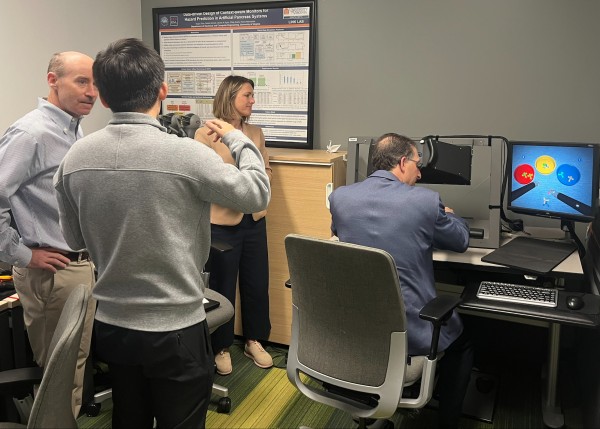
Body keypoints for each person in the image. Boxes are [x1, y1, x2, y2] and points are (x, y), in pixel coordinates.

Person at [53, 38, 270, 429]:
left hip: (114, 327)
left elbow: (73, 241)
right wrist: (238, 139)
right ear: (162, 91)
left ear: (103, 97)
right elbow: (256, 193)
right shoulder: (187, 154)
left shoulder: (75, 158)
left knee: (129, 419)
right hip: (175, 328)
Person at [328, 133, 474, 429]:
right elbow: (460, 241)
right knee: (464, 341)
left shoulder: (340, 197)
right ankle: (446, 421)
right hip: (410, 334)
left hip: (351, 330)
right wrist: (450, 215)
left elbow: (340, 230)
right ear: (403, 162)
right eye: (418, 164)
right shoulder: (425, 201)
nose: (420, 173)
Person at [0, 51, 97, 417]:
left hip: (77, 268)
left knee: (73, 366)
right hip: (51, 271)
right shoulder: (31, 133)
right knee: (58, 372)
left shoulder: (73, 127)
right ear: (52, 81)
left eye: (95, 83)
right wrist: (23, 255)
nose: (91, 92)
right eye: (81, 81)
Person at [194, 75, 273, 375]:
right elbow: (207, 179)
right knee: (223, 286)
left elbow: (265, 171)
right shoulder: (205, 134)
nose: (253, 101)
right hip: (222, 223)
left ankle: (254, 340)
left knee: (256, 283)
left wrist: (261, 193)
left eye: (253, 95)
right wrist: (242, 187)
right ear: (230, 97)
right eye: (248, 95)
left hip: (254, 220)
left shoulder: (255, 132)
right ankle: (221, 346)